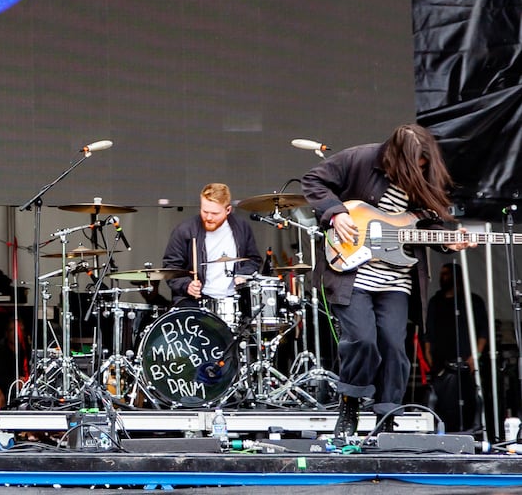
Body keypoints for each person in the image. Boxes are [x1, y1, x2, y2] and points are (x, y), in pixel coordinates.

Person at [302, 122, 471, 441]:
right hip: (353, 273)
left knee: (395, 345)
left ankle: (388, 413)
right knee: (363, 339)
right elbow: (313, 180)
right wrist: (337, 213)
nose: (420, 169)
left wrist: (449, 241)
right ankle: (350, 404)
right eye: (415, 164)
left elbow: (427, 228)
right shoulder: (360, 159)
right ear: (397, 155)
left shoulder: (425, 178)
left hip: (396, 279)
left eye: (425, 164)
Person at [161, 183, 263, 312]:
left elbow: (253, 259)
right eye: (205, 211)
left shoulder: (242, 227)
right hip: (196, 302)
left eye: (214, 213)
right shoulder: (184, 230)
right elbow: (171, 267)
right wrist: (187, 285)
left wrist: (243, 274)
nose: (208, 217)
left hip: (235, 299)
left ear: (228, 210)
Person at [422, 260, 488, 433]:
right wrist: (429, 355)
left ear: (457, 277)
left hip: (468, 361)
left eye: (447, 274)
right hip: (441, 363)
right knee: (443, 401)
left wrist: (476, 355)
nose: (443, 278)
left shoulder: (473, 301)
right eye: (442, 274)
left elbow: (483, 331)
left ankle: (472, 430)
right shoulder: (435, 302)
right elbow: (428, 332)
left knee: (469, 398)